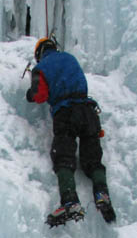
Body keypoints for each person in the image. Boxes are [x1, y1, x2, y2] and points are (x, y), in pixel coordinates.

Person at [26, 36, 116, 227]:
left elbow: (40, 94)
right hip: (89, 111)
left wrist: (30, 94)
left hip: (66, 113)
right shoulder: (69, 58)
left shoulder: (41, 67)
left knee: (63, 156)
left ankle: (70, 201)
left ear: (39, 54)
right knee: (92, 160)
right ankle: (102, 194)